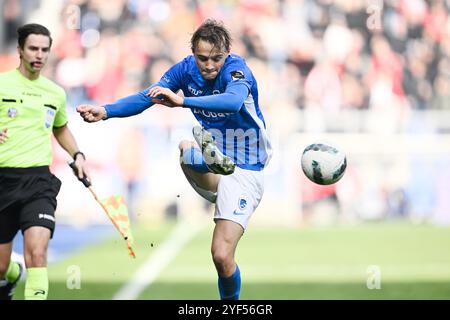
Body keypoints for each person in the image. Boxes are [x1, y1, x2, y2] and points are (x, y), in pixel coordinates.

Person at [77, 19, 271, 300]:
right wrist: (106, 111)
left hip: (247, 166)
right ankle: (213, 166)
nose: (209, 65)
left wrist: (183, 102)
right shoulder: (185, 70)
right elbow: (149, 96)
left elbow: (232, 101)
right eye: (202, 58)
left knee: (220, 255)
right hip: (218, 168)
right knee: (186, 148)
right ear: (193, 54)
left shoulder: (237, 71)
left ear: (227, 53)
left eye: (216, 58)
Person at [0, 23, 90, 300]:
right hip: (3, 181)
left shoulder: (55, 93)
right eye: (33, 48)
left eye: (44, 49)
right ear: (20, 50)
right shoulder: (2, 83)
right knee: (1, 267)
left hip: (38, 182)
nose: (39, 54)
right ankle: (12, 272)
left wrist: (77, 155)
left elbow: (60, 128)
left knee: (37, 252)